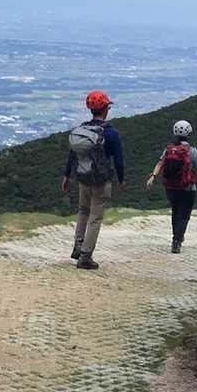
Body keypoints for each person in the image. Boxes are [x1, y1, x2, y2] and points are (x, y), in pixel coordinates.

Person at [61, 90, 125, 270]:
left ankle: (78, 245)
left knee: (83, 211)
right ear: (105, 108)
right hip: (101, 181)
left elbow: (72, 154)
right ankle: (85, 257)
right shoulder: (110, 132)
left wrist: (67, 176)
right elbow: (118, 159)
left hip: (83, 177)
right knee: (95, 218)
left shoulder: (83, 129)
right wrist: (121, 179)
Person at [145, 120, 197, 253]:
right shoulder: (192, 151)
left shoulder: (169, 149)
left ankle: (176, 237)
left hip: (171, 187)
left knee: (176, 212)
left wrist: (152, 176)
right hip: (188, 188)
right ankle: (177, 240)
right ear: (189, 134)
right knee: (184, 215)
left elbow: (160, 163)